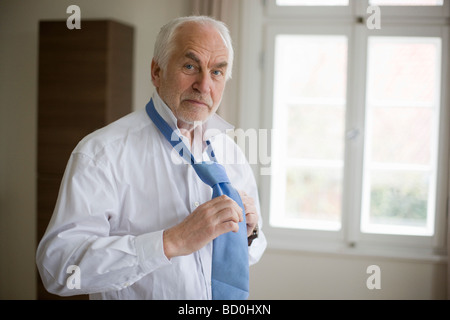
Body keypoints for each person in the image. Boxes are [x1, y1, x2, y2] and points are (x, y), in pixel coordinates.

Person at [36, 15, 267, 300]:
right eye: (190, 66)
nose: (204, 85)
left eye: (217, 72)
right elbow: (58, 269)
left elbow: (252, 253)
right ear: (156, 72)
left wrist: (248, 234)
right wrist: (171, 242)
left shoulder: (231, 152)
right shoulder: (101, 153)